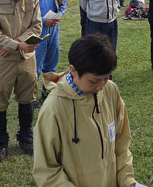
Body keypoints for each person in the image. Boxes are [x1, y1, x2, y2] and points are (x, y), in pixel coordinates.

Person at [33, 34, 137, 187]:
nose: (101, 86)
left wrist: (127, 179)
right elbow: (46, 170)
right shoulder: (54, 109)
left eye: (106, 78)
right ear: (73, 70)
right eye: (94, 81)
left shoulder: (110, 91)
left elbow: (121, 143)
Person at [0, 0, 42, 162]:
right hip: (3, 60)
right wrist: (14, 45)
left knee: (27, 98)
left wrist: (16, 44)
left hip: (26, 58)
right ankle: (0, 142)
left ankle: (26, 137)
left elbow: (37, 26)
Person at [25, 0, 67, 80]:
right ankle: (31, 96)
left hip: (54, 31)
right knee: (35, 66)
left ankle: (47, 91)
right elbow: (26, 13)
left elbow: (63, 3)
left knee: (51, 64)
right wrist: (43, 20)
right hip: (38, 33)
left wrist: (59, 14)